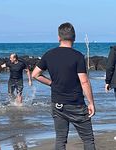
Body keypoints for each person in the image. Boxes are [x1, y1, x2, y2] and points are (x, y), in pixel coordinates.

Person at [31, 22, 96, 150]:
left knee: (60, 140)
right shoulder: (78, 56)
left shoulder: (49, 54)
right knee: (88, 140)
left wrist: (51, 83)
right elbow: (84, 81)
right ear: (74, 37)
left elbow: (35, 74)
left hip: (57, 105)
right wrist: (91, 103)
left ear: (58, 37)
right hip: (76, 104)